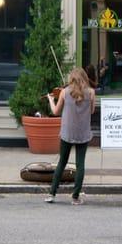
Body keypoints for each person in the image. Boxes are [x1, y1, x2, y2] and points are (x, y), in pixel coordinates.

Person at [45, 67, 95, 205]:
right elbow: (91, 111)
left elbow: (55, 111)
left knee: (62, 162)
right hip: (83, 132)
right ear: (84, 78)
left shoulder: (64, 92)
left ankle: (52, 194)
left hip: (67, 132)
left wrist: (50, 99)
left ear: (71, 79)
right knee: (80, 165)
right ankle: (75, 197)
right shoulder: (91, 92)